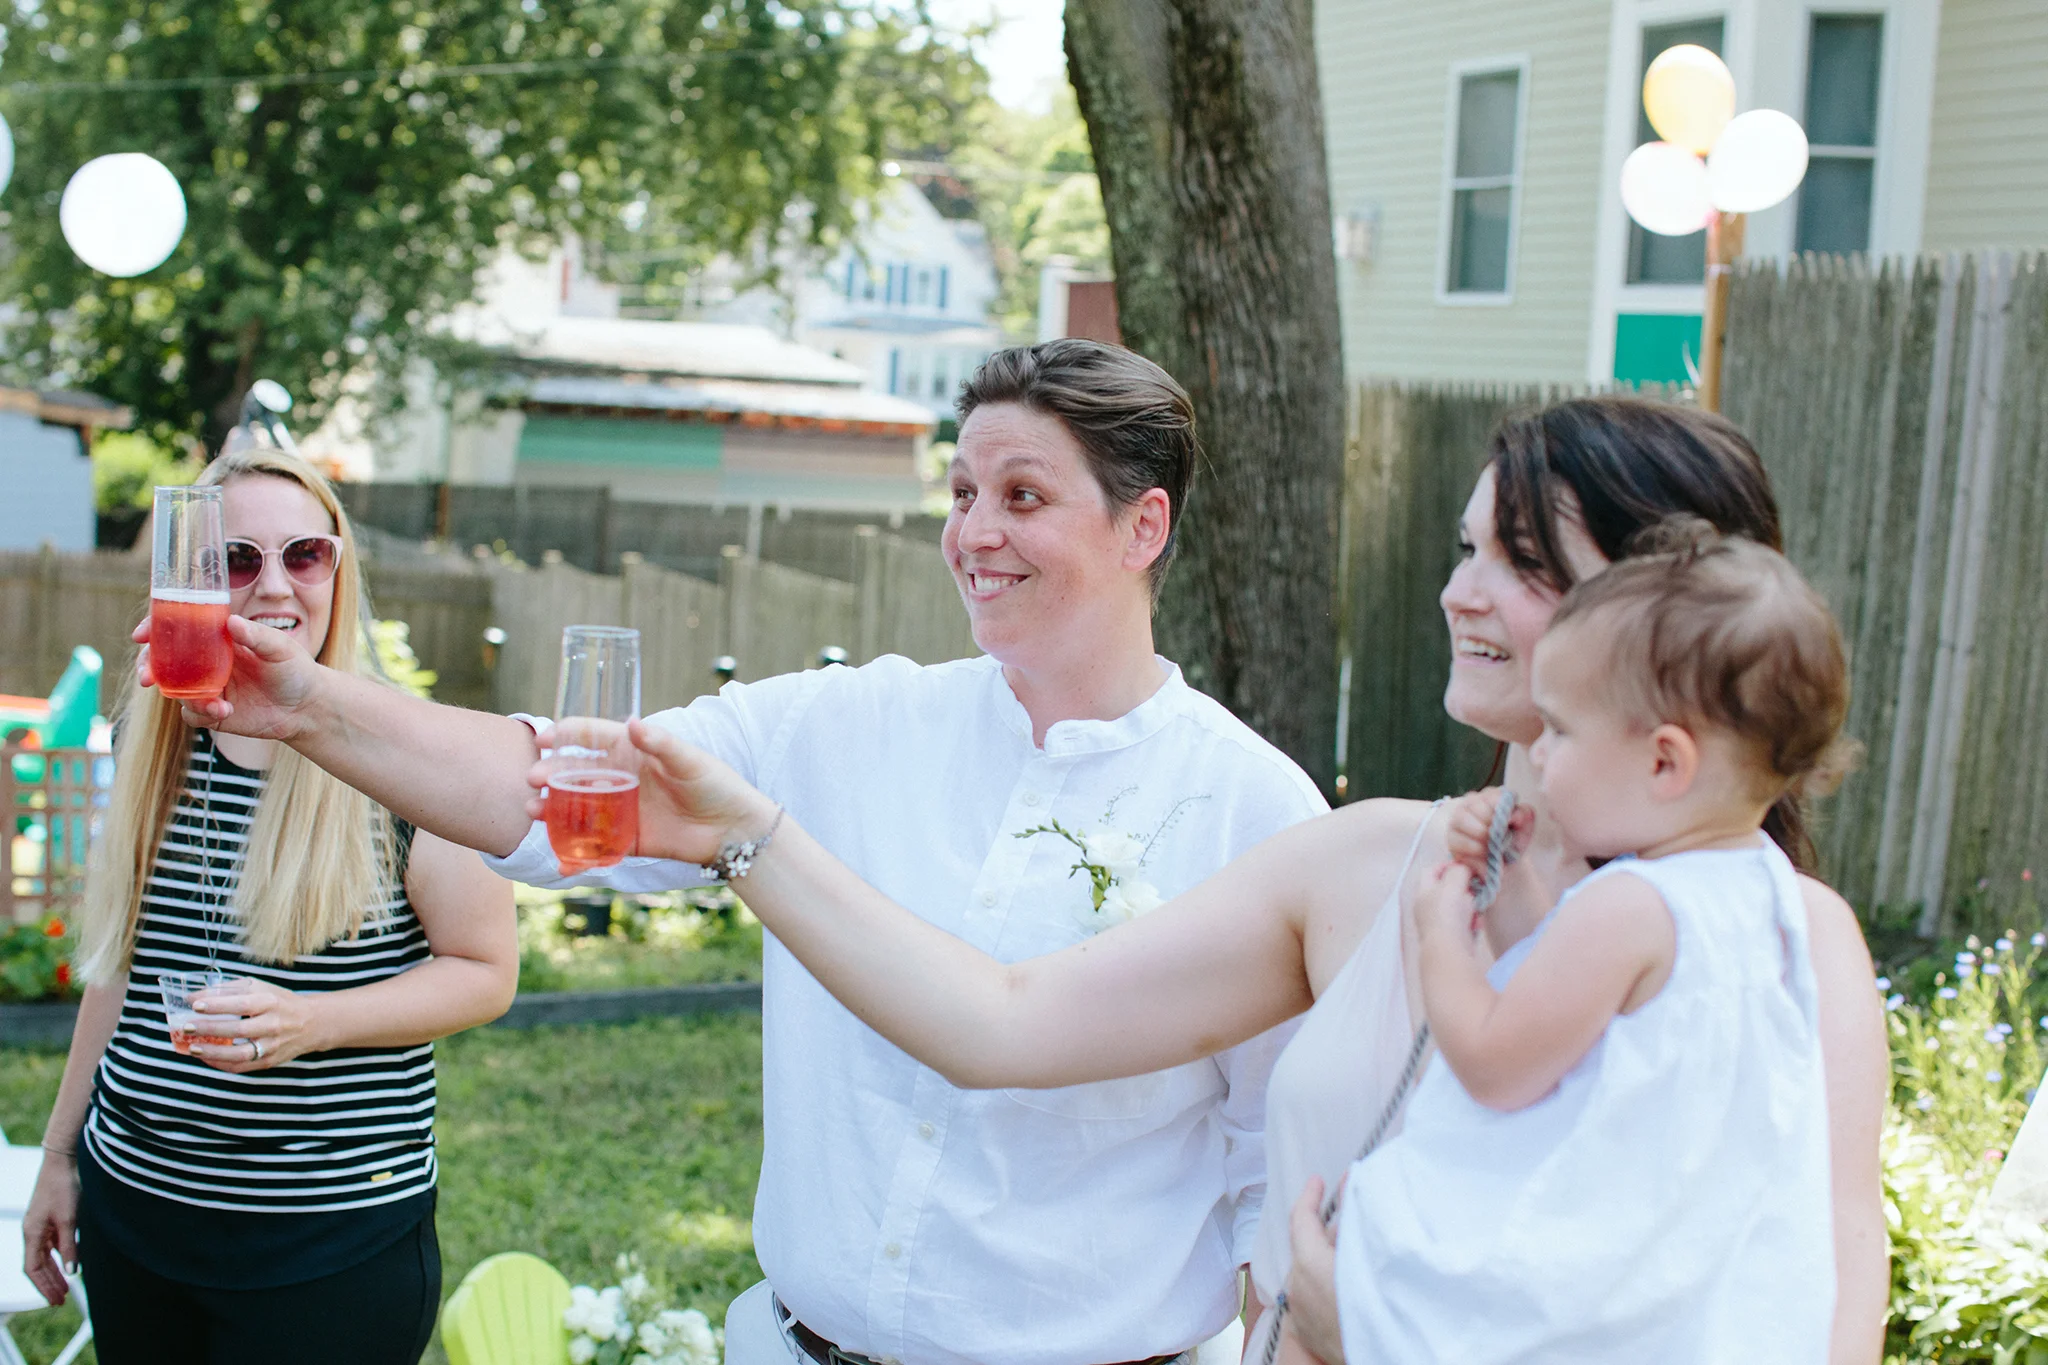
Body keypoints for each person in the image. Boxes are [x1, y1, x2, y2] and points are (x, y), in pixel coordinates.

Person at [539, 396, 1888, 1365]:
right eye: (1467, 547)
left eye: (1518, 563)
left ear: (1658, 616)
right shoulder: (1369, 857)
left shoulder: (1775, 937)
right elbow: (1004, 1021)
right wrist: (744, 833)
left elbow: (1818, 1305)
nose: (1458, 593)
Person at [154, 341, 1328, 1365]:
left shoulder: (1253, 812)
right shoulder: (845, 721)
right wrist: (304, 707)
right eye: (963, 489)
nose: (972, 533)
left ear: (1144, 525)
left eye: (1021, 497)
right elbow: (539, 795)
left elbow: (1273, 1186)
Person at [20, 447, 517, 1365]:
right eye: (236, 558)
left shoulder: (408, 754)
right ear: (194, 576)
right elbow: (120, 965)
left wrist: (313, 1020)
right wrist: (60, 1155)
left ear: (338, 568)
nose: (273, 585)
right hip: (137, 1209)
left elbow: (486, 972)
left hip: (329, 1235)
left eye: (304, 554)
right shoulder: (149, 735)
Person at [1311, 529, 1847, 1361]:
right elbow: (1591, 1028)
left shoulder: (1634, 905)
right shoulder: (1771, 900)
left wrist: (1439, 936)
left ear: (1665, 761)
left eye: (1559, 731)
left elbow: (1495, 1062)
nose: (1540, 753)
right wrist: (1517, 878)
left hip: (1569, 1287)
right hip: (1687, 1296)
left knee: (1344, 1242)